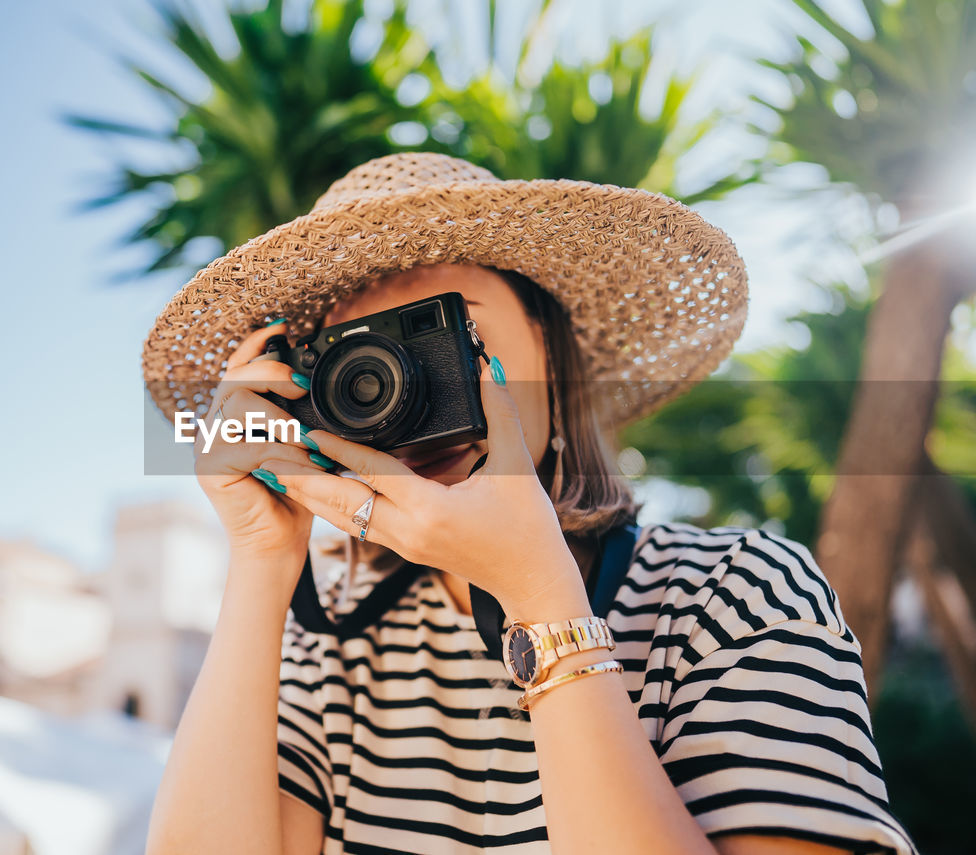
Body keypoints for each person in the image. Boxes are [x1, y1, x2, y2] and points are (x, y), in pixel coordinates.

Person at [139, 153, 917, 855]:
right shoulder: (329, 650)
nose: (403, 391)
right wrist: (262, 556)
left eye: (452, 331)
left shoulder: (735, 595)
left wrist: (543, 597)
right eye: (367, 363)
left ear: (550, 349)